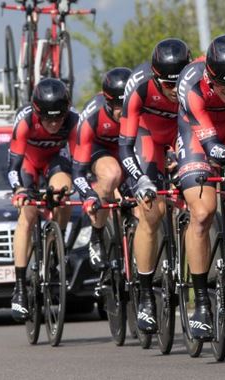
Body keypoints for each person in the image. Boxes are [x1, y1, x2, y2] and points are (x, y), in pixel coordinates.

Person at [176, 34, 225, 340]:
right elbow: (209, 143)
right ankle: (202, 300)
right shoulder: (191, 83)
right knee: (204, 212)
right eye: (224, 87)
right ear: (210, 77)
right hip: (199, 136)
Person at [119, 38, 191, 334]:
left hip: (179, 134)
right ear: (155, 77)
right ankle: (146, 293)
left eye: (179, 84)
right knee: (151, 210)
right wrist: (140, 179)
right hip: (147, 138)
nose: (175, 92)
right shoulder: (139, 85)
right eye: (168, 86)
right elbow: (124, 147)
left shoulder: (196, 80)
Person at [7, 78, 79, 322]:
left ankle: (55, 248)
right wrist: (18, 190)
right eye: (48, 119)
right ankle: (18, 287)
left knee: (64, 191)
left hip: (53, 161)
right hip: (27, 163)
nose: (54, 123)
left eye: (59, 118)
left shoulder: (72, 121)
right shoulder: (25, 121)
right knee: (27, 213)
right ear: (38, 112)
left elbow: (79, 163)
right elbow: (13, 166)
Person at [72, 67, 132, 271]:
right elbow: (78, 171)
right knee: (111, 174)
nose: (123, 111)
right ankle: (96, 235)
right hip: (101, 149)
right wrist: (89, 195)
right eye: (117, 105)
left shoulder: (139, 108)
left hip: (129, 146)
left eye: (127, 104)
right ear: (107, 102)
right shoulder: (93, 115)